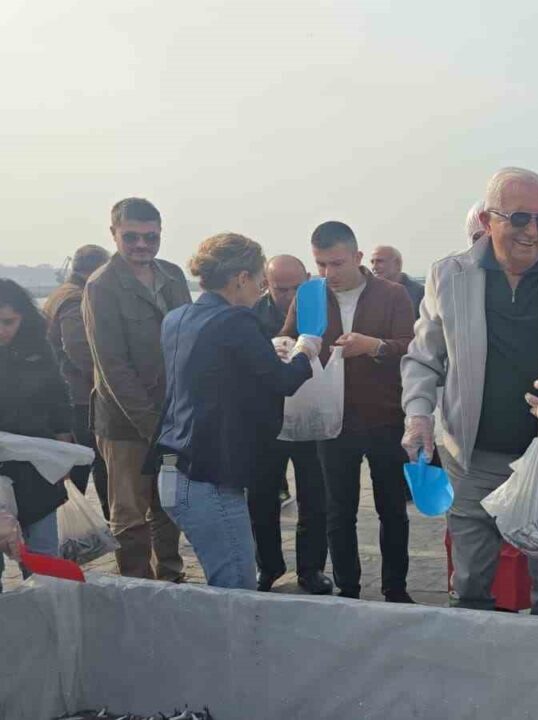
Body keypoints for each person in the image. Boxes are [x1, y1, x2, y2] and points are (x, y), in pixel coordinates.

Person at [400, 167, 538, 618]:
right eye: (519, 218)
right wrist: (418, 416)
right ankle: (475, 655)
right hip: (472, 458)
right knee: (470, 580)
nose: (532, 231)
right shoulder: (448, 276)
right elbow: (423, 358)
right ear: (488, 220)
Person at [155, 234, 317, 590]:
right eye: (260, 280)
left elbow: (211, 378)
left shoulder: (177, 317)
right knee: (235, 588)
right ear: (242, 278)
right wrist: (306, 350)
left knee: (225, 582)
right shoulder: (235, 321)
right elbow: (282, 382)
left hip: (173, 469)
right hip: (209, 477)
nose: (261, 289)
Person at [281, 221, 416, 602]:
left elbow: (412, 347)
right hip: (329, 419)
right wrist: (283, 346)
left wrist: (374, 346)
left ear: (358, 257)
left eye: (337, 263)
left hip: (385, 417)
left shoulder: (393, 294)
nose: (329, 273)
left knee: (392, 510)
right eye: (321, 264)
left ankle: (395, 588)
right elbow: (288, 336)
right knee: (338, 510)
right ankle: (348, 587)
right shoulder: (309, 294)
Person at [82, 197, 190, 581]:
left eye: (150, 237)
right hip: (125, 422)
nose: (142, 245)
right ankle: (136, 587)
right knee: (129, 513)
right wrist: (150, 424)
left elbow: (189, 341)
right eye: (132, 237)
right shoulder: (102, 286)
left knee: (169, 504)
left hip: (174, 414)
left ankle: (172, 578)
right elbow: (112, 367)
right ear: (114, 234)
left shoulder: (173, 275)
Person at [248, 254, 332, 595]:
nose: (288, 296)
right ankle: (268, 566)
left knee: (315, 497)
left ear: (307, 279)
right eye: (279, 289)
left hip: (312, 417)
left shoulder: (322, 308)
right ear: (265, 284)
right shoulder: (251, 314)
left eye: (295, 288)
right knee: (261, 497)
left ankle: (311, 569)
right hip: (266, 422)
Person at [0, 279, 71, 592]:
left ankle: (47, 617)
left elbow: (58, 397)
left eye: (8, 322)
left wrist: (63, 442)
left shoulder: (39, 349)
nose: (2, 330)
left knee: (43, 556)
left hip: (35, 465)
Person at [43, 244, 112, 516]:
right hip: (81, 398)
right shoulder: (76, 298)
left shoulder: (60, 293)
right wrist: (107, 382)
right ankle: (93, 524)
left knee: (80, 466)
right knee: (90, 463)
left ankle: (79, 524)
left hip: (68, 395)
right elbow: (79, 348)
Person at [370, 245, 426, 320]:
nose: (374, 267)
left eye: (379, 261)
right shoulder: (368, 292)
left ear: (397, 263)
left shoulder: (419, 293)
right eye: (372, 262)